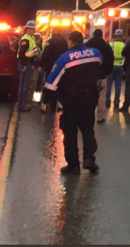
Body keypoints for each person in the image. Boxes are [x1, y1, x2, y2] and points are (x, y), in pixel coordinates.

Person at [45, 31, 102, 175]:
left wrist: (46, 99)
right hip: (90, 97)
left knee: (70, 133)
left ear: (70, 41)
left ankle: (73, 165)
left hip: (72, 100)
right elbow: (101, 67)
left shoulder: (64, 58)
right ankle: (89, 159)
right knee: (88, 129)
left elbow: (51, 83)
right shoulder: (95, 53)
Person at [84, 29, 114, 123]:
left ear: (93, 35)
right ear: (102, 35)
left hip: (88, 75)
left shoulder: (87, 45)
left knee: (87, 95)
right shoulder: (106, 46)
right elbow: (110, 60)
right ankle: (100, 117)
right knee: (101, 96)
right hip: (101, 75)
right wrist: (106, 72)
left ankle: (87, 116)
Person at [38, 30, 69, 114]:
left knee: (48, 84)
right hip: (61, 67)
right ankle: (54, 105)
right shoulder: (64, 41)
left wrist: (41, 64)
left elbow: (46, 53)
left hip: (51, 66)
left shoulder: (50, 41)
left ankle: (45, 103)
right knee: (58, 85)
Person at [16, 21, 42, 112]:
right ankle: (21, 106)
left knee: (26, 85)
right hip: (24, 64)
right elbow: (22, 54)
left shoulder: (30, 38)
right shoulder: (26, 39)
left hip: (28, 63)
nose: (34, 31)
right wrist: (25, 64)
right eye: (33, 29)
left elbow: (30, 53)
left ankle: (22, 105)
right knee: (23, 86)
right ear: (29, 29)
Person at [106, 29, 125, 109]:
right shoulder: (124, 45)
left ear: (115, 36)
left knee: (109, 85)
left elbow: (107, 56)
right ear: (121, 36)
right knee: (118, 85)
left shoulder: (111, 44)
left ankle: (107, 102)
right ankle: (116, 102)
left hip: (111, 67)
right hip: (120, 67)